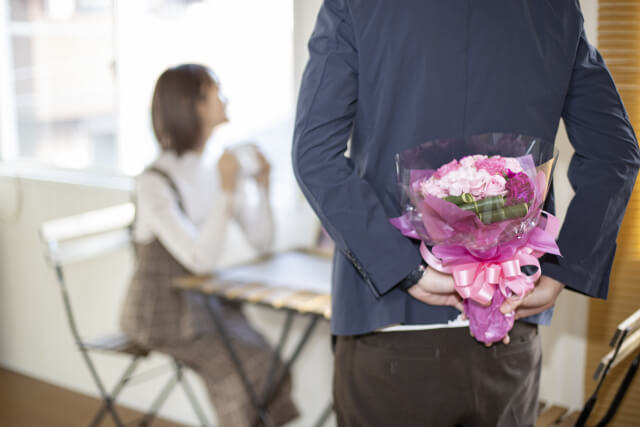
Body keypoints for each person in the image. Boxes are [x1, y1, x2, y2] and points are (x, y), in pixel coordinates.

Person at [292, 1, 640, 426]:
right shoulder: (554, 8)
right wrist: (564, 271)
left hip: (389, 322)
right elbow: (615, 153)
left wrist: (405, 270)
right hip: (506, 322)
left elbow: (314, 156)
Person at [120, 64, 298, 427]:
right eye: (216, 90)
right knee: (248, 365)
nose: (226, 97)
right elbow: (200, 260)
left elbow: (263, 240)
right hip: (161, 314)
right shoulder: (155, 181)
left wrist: (262, 185)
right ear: (193, 105)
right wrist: (229, 190)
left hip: (203, 305)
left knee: (269, 360)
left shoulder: (213, 167)